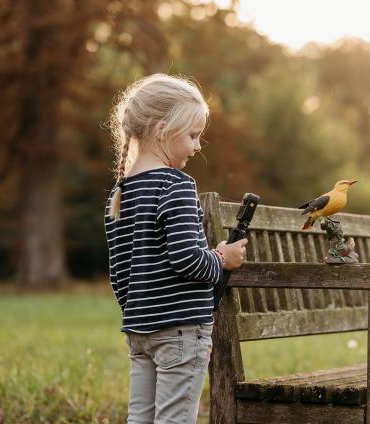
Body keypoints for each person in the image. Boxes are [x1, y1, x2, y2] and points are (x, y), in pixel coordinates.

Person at [104, 73, 247, 423]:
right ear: (161, 129)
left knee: (140, 417)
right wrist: (222, 259)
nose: (197, 147)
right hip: (181, 331)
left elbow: (119, 276)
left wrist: (141, 313)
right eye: (193, 135)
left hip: (139, 330)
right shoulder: (176, 184)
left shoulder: (119, 194)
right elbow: (186, 259)